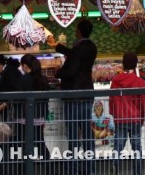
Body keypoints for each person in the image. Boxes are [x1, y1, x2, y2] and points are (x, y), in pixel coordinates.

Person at [51, 18, 97, 175]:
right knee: (87, 132)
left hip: (73, 95)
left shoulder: (78, 48)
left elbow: (71, 71)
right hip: (87, 93)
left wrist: (58, 72)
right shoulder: (91, 47)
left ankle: (72, 168)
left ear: (78, 31)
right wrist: (58, 47)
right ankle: (90, 168)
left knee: (73, 134)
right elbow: (76, 56)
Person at [109, 52, 145, 175]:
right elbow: (142, 102)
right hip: (135, 119)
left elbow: (112, 99)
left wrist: (113, 113)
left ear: (123, 64)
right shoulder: (139, 81)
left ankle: (114, 169)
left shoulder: (115, 81)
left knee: (118, 146)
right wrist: (143, 115)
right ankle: (137, 172)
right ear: (136, 64)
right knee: (137, 148)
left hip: (120, 119)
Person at [16, 55, 51, 162]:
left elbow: (18, 98)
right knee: (39, 142)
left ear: (25, 66)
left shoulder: (22, 79)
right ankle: (48, 166)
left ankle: (25, 166)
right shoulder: (43, 79)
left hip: (24, 117)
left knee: (23, 144)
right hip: (39, 116)